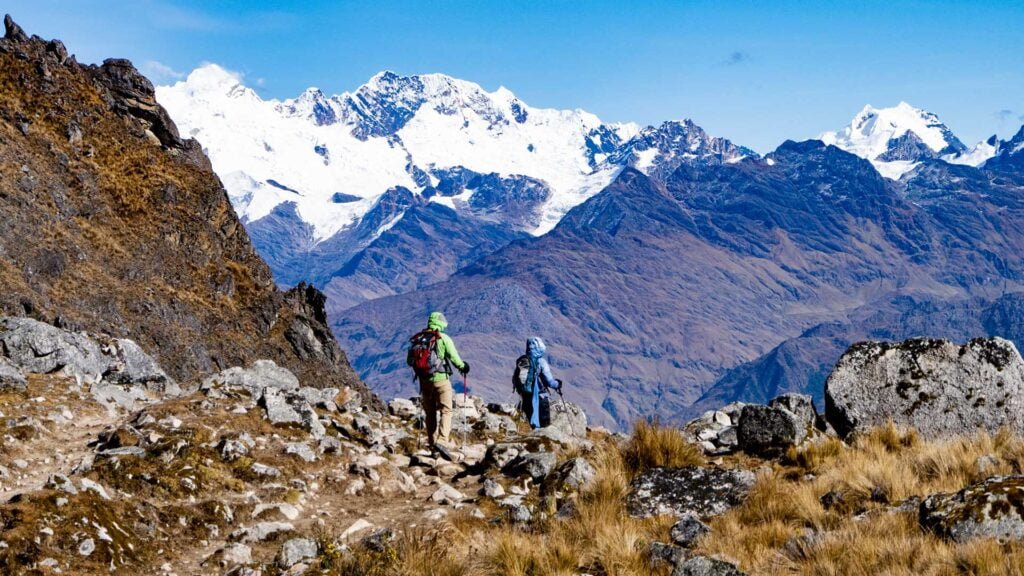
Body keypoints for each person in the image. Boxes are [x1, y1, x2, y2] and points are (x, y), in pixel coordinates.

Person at [407, 311, 469, 453]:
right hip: (441, 380)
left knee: (430, 413)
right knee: (446, 410)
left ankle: (432, 441)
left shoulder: (418, 339)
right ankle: (442, 441)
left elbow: (409, 361)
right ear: (441, 322)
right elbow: (454, 358)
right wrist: (464, 367)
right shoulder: (443, 338)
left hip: (424, 381)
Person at [512, 336, 561, 429]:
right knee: (544, 427)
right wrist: (558, 384)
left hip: (525, 398)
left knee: (532, 426)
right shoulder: (541, 362)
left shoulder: (523, 361)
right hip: (540, 398)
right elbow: (550, 382)